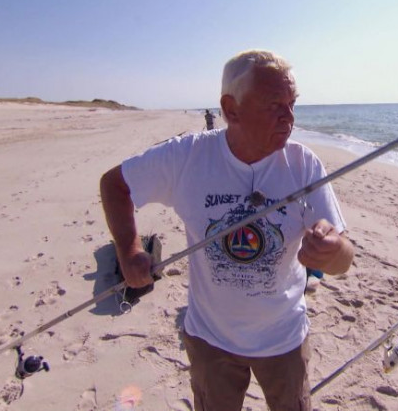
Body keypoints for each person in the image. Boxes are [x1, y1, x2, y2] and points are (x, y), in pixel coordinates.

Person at [100, 50, 354, 411]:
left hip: (284, 339)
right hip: (211, 340)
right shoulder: (186, 157)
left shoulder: (303, 164)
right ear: (231, 109)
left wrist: (332, 252)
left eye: (292, 103)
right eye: (274, 105)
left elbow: (343, 260)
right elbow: (115, 185)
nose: (289, 117)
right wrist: (129, 251)